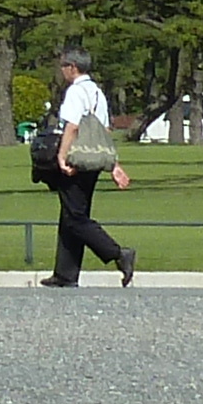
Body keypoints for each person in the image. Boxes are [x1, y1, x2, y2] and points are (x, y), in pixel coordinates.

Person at [36, 47, 136, 289]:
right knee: (70, 215)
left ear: (72, 67)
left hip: (76, 160)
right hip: (93, 160)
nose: (61, 71)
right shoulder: (98, 93)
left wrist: (62, 157)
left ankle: (118, 253)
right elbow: (104, 132)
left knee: (76, 218)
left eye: (63, 67)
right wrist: (113, 165)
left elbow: (72, 127)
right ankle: (65, 273)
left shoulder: (75, 92)